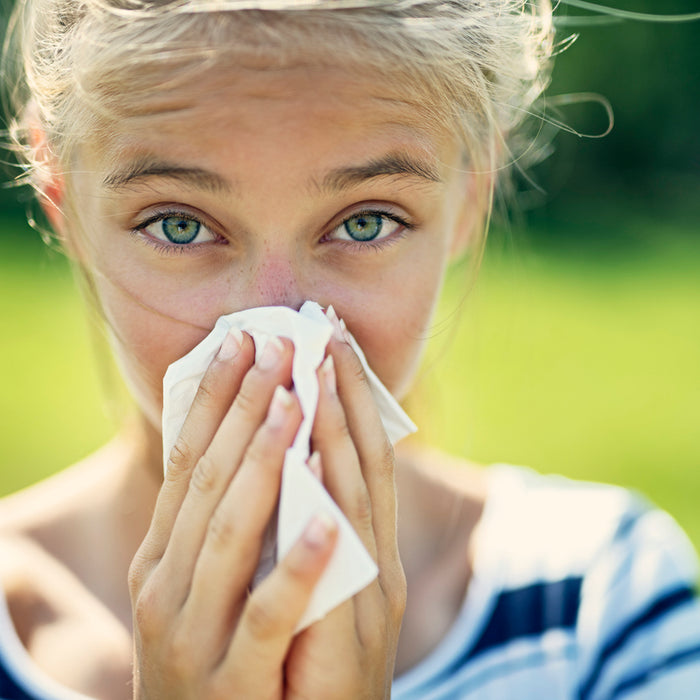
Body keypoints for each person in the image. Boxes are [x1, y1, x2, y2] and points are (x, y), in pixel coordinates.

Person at [1, 1, 699, 698]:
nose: (277, 328)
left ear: (470, 195)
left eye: (366, 223)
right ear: (64, 199)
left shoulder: (604, 609)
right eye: (180, 225)